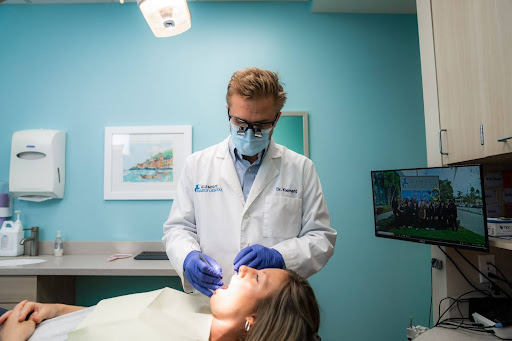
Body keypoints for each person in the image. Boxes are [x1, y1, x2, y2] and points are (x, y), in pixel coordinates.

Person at [163, 67, 337, 296]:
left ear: (276, 119)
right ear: (228, 112)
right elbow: (178, 228)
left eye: (261, 125)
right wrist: (187, 257)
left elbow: (321, 238)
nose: (249, 134)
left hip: (276, 304)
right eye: (240, 123)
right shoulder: (197, 165)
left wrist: (280, 256)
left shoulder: (301, 168)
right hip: (214, 298)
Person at [0, 266, 321, 341]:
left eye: (256, 278)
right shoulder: (197, 310)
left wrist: (11, 338)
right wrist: (55, 310)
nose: (244, 267)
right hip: (39, 323)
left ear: (254, 318)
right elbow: (108, 318)